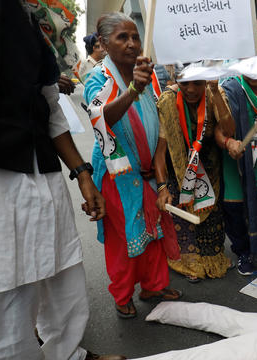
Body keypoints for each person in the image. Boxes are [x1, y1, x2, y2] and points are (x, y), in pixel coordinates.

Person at [0, 2, 120, 359]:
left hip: (44, 173)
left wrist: (82, 173)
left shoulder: (38, 26)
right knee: (7, 292)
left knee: (64, 277)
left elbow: (51, 109)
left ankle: (69, 354)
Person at [84, 13, 181, 319]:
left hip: (148, 174)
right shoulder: (98, 79)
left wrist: (161, 178)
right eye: (121, 37)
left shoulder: (147, 75)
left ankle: (153, 286)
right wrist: (132, 92)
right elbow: (100, 120)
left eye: (135, 37)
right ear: (103, 43)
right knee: (125, 238)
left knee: (154, 233)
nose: (131, 44)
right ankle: (122, 294)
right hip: (116, 176)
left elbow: (157, 128)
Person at [154, 67, 232, 283]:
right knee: (184, 229)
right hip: (178, 174)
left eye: (197, 83)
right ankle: (186, 260)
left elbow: (229, 130)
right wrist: (161, 188)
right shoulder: (167, 102)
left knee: (212, 243)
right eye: (184, 83)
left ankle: (210, 256)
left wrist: (215, 92)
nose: (190, 89)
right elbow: (160, 152)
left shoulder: (214, 94)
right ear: (175, 79)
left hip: (209, 174)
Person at [217, 38, 257, 275]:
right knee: (237, 211)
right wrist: (228, 142)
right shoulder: (230, 87)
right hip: (238, 163)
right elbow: (218, 126)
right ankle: (242, 252)